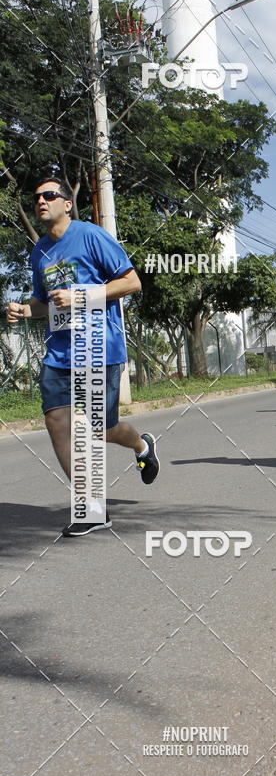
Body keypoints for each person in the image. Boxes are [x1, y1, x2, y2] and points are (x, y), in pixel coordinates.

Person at [6, 176, 160, 536]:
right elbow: (43, 303)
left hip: (99, 348)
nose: (41, 201)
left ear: (66, 203)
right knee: (57, 422)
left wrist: (81, 296)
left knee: (100, 428)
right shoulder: (39, 251)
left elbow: (131, 282)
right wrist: (25, 310)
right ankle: (92, 509)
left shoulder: (90, 235)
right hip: (59, 353)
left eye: (49, 195)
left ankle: (141, 445)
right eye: (36, 197)